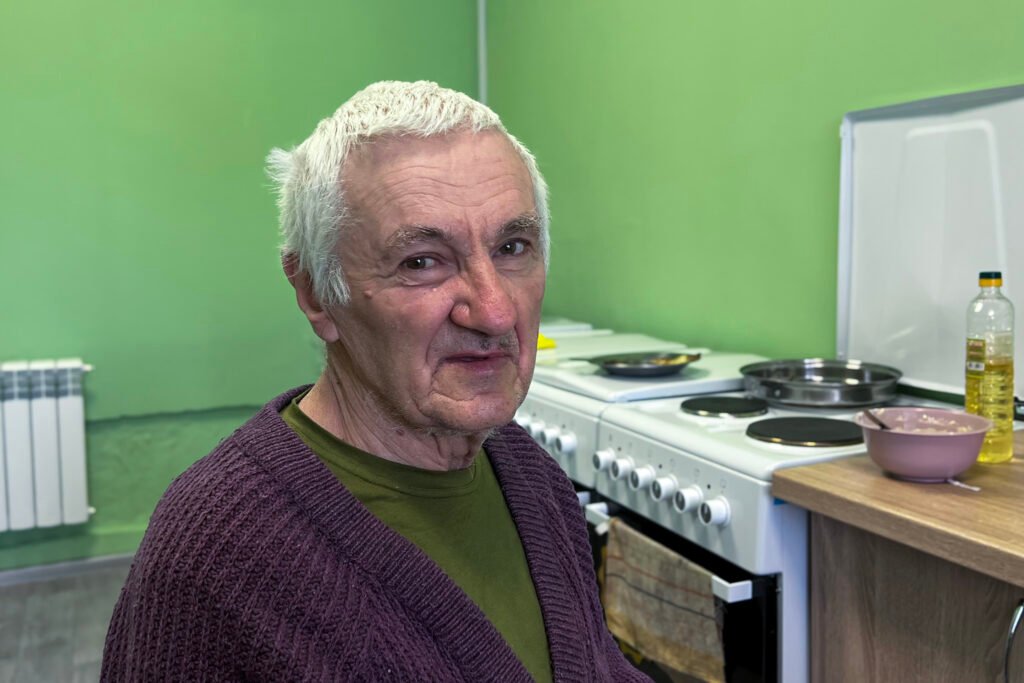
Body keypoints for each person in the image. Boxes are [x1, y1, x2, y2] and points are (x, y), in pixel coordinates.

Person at [101, 81, 649, 682]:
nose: (495, 312)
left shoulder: (528, 474)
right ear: (315, 293)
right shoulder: (215, 550)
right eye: (422, 262)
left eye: (513, 247)